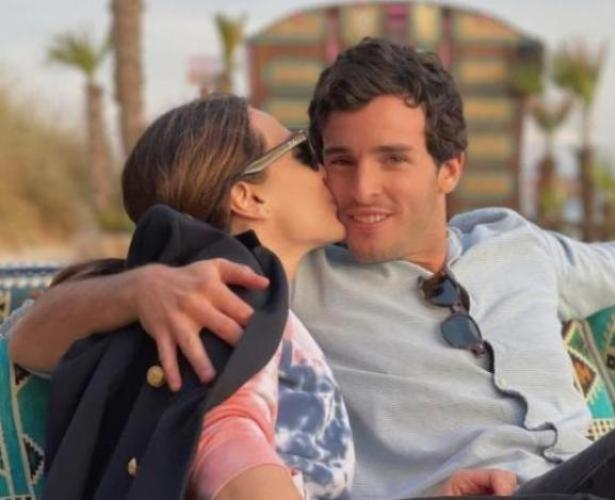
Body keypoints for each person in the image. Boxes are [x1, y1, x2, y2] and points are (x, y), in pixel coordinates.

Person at [6, 38, 615, 499]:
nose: (359, 189)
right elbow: (32, 335)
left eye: (392, 160)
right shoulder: (281, 290)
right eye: (332, 159)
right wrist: (143, 287)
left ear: (450, 169)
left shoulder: (517, 243)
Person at [8, 95, 355, 499]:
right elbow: (223, 434)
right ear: (249, 197)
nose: (325, 166)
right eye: (303, 150)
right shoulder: (231, 306)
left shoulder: (246, 299)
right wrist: (139, 289)